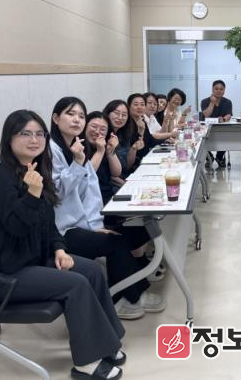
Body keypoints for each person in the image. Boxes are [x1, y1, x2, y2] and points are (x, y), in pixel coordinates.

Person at [0, 109, 125, 380]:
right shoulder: (0, 178)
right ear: (9, 139)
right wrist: (32, 194)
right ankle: (86, 364)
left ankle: (107, 343)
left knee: (91, 271)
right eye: (25, 133)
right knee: (76, 284)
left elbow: (48, 223)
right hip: (4, 274)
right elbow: (17, 227)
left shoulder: (33, 170)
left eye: (40, 134)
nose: (34, 140)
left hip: (31, 259)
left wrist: (59, 249)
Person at [50, 97, 165, 320]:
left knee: (132, 232)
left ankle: (136, 291)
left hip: (82, 220)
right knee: (117, 241)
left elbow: (88, 193)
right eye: (70, 114)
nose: (76, 120)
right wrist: (92, 227)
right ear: (55, 118)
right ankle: (125, 298)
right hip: (62, 231)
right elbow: (60, 194)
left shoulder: (76, 148)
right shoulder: (57, 150)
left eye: (80, 116)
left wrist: (94, 224)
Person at [103, 100, 144, 185]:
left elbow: (127, 166)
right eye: (116, 113)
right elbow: (107, 173)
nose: (120, 117)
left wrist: (133, 149)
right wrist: (126, 185)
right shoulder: (102, 135)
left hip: (126, 177)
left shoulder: (123, 134)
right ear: (108, 113)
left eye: (124, 115)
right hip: (109, 184)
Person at [84, 111, 121, 204]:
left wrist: (110, 151)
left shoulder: (104, 145)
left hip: (107, 195)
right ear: (84, 126)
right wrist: (100, 152)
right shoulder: (79, 147)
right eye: (94, 126)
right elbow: (87, 175)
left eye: (103, 129)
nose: (97, 131)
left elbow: (116, 173)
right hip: (90, 199)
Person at [200, 79, 233, 168]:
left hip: (222, 129)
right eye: (216, 89)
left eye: (221, 89)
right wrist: (212, 103)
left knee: (228, 137)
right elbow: (206, 115)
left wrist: (224, 119)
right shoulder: (204, 101)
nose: (219, 91)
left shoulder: (227, 102)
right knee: (201, 140)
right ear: (212, 90)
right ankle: (209, 156)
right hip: (207, 129)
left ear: (224, 90)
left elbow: (229, 115)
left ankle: (219, 157)